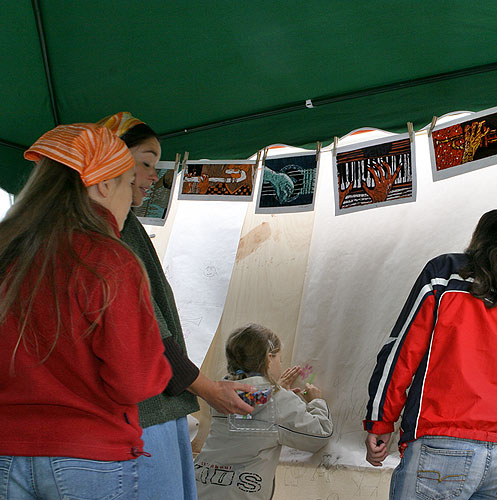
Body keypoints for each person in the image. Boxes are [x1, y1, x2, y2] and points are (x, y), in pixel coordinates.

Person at [0, 124, 173, 499]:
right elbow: (136, 382)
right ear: (102, 186)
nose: (132, 197)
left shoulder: (5, 253)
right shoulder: (108, 259)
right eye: (129, 183)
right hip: (86, 457)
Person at [97, 112, 257, 499]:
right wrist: (209, 390)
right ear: (111, 166)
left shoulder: (124, 227)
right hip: (143, 419)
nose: (154, 176)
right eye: (146, 162)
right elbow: (152, 339)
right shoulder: (110, 233)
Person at [363, 209, 497, 500]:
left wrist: (380, 421)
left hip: (441, 442)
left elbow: (401, 353)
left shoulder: (444, 274)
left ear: (480, 240)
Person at [194, 323, 333, 499]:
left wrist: (277, 390)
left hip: (200, 489)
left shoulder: (223, 394)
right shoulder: (278, 401)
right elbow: (319, 435)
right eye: (279, 360)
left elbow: (255, 411)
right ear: (269, 359)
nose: (281, 365)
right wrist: (316, 401)